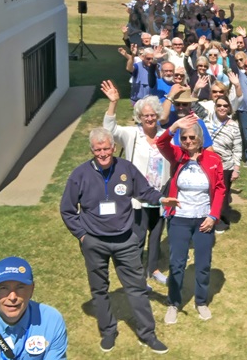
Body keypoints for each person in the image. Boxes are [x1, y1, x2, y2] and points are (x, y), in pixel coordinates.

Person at [60, 127, 178, 354]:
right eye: (98, 150)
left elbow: (144, 192)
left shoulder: (126, 168)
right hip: (94, 242)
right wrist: (83, 236)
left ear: (114, 148)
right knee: (99, 289)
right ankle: (108, 331)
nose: (102, 153)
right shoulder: (79, 175)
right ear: (92, 150)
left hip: (125, 240)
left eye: (106, 148)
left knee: (136, 288)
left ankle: (148, 334)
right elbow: (67, 210)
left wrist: (162, 199)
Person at [156, 114, 226, 325]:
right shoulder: (177, 155)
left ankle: (201, 301)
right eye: (184, 138)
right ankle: (173, 303)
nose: (188, 141)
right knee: (177, 264)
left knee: (203, 264)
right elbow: (161, 143)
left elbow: (220, 189)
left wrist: (213, 216)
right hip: (179, 219)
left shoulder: (213, 159)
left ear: (200, 138)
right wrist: (175, 127)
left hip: (204, 220)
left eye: (192, 137)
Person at [101, 81, 170, 286]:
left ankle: (153, 269)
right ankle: (137, 273)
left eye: (153, 115)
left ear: (158, 116)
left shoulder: (165, 136)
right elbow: (109, 130)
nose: (149, 118)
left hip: (160, 194)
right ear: (139, 117)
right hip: (138, 197)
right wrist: (113, 103)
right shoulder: (131, 134)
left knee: (156, 234)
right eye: (145, 115)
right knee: (138, 236)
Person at [0, 256, 67, 359]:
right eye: (4, 288)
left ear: (32, 289)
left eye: (20, 287)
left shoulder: (50, 321)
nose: (12, 297)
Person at [203, 94, 242, 232]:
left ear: (229, 108)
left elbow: (237, 148)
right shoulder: (207, 122)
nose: (222, 108)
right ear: (215, 107)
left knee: (222, 195)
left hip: (226, 165)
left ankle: (221, 221)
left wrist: (236, 169)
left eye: (225, 106)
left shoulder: (234, 126)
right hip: (207, 164)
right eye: (219, 105)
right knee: (207, 192)